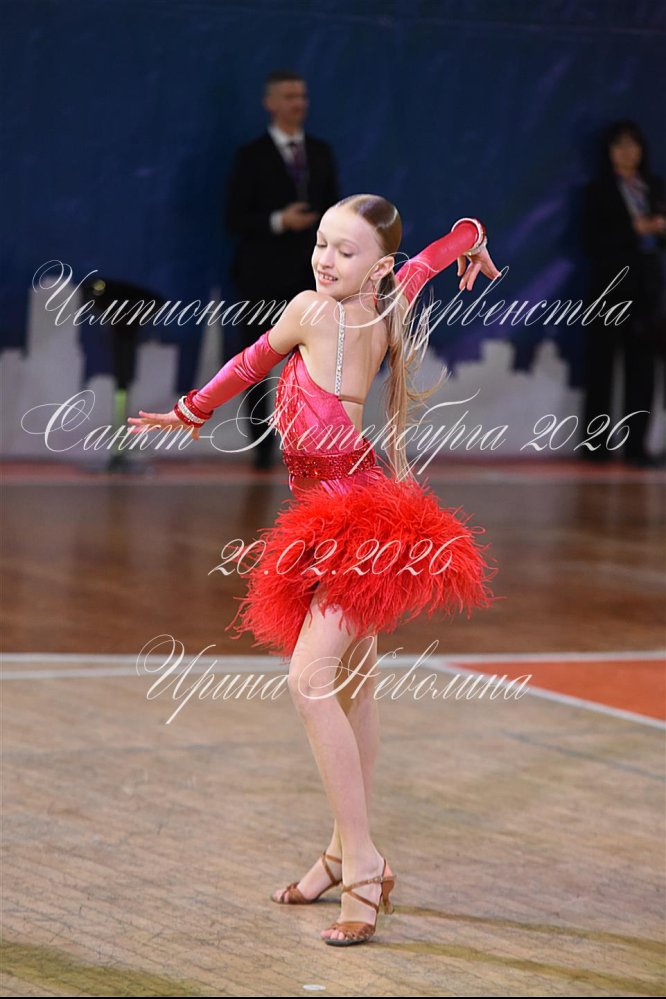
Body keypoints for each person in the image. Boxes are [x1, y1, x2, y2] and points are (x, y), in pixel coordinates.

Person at [128, 195, 503, 946]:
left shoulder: (314, 309)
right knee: (354, 689)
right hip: (342, 514)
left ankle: (363, 863)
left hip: (356, 525)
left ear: (378, 266)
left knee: (310, 681)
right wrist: (470, 239)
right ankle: (338, 854)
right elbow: (434, 255)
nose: (325, 259)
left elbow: (250, 361)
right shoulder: (387, 299)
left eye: (345, 250)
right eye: (323, 243)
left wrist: (193, 408)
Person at [226, 69, 339, 469]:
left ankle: (310, 440)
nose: (299, 104)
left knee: (315, 363)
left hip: (309, 277)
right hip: (260, 275)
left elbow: (336, 210)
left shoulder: (320, 153)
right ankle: (261, 447)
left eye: (302, 96)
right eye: (290, 96)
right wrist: (279, 220)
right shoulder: (251, 156)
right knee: (257, 362)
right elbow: (234, 218)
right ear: (270, 103)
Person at [580, 119, 666, 467]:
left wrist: (659, 228)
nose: (627, 152)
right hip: (609, 287)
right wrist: (634, 229)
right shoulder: (598, 191)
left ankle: (636, 447)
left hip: (647, 288)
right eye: (620, 145)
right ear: (609, 151)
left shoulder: (654, 187)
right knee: (602, 366)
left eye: (633, 145)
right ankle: (596, 447)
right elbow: (591, 241)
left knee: (643, 368)